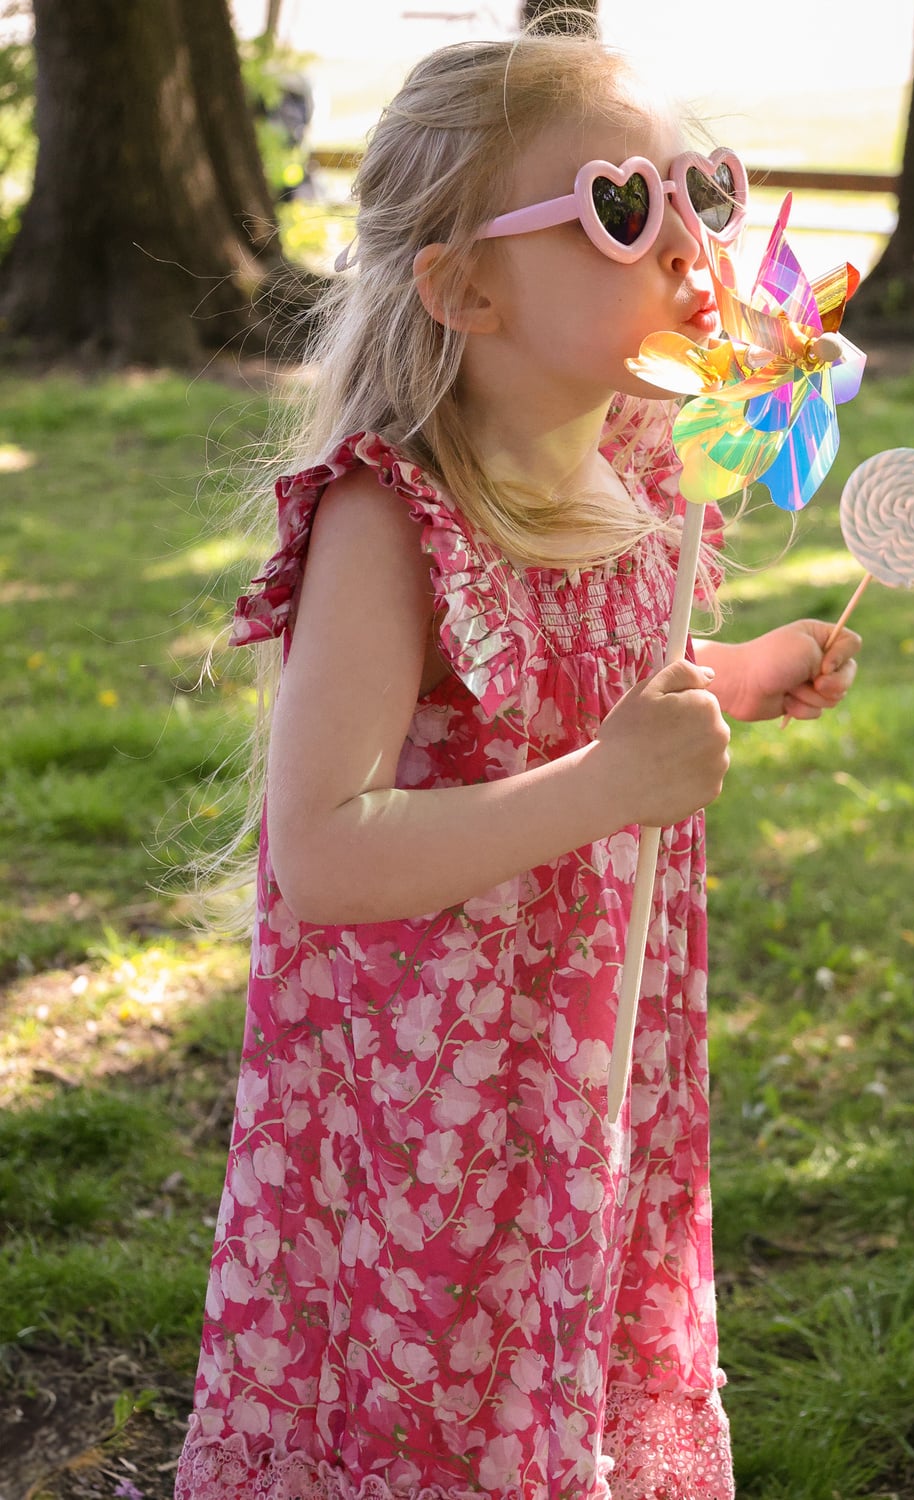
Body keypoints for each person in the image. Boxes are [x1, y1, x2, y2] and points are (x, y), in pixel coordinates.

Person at [175, 29, 860, 1500]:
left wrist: (742, 677)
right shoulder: (391, 522)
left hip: (588, 1068)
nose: (687, 242)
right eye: (622, 207)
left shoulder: (643, 472)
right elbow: (329, 852)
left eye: (704, 192)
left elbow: (607, 707)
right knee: (440, 1389)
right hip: (435, 1100)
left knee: (568, 1361)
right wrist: (613, 786)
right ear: (465, 284)